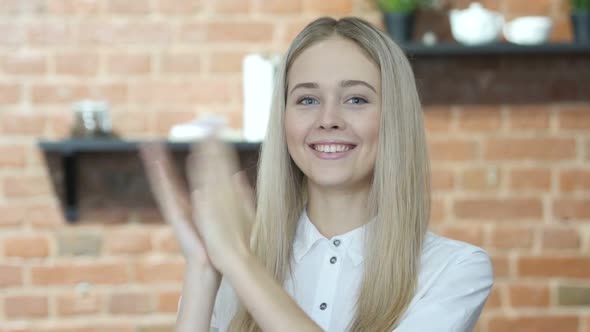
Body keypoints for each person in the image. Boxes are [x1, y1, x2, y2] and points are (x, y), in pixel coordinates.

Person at [139, 16, 494, 332]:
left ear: (394, 118)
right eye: (307, 100)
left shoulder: (454, 270)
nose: (328, 119)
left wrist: (239, 262)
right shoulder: (231, 257)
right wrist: (202, 268)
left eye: (355, 99)